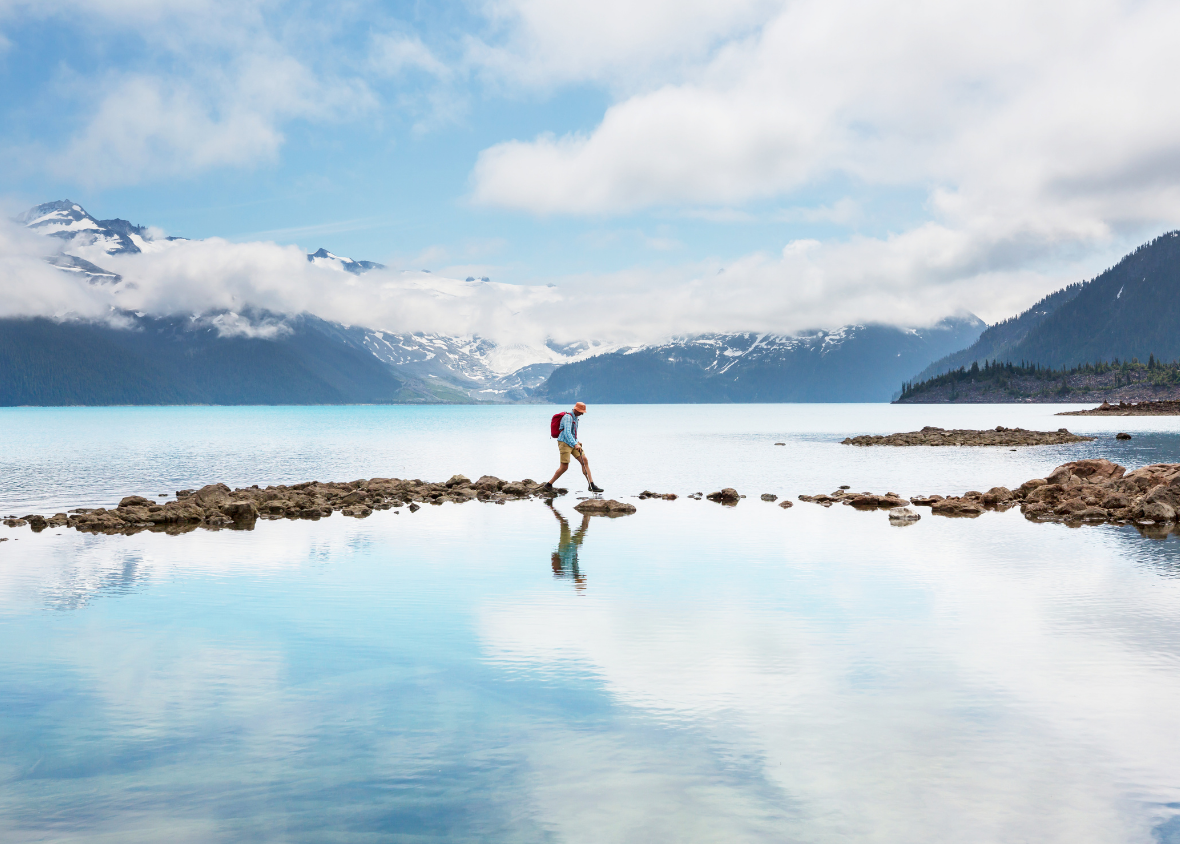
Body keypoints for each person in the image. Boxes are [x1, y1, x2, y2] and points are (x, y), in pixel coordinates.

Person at [545, 401, 603, 493]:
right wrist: (575, 444)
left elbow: (573, 433)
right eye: (581, 412)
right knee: (564, 467)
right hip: (564, 443)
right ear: (576, 409)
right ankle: (548, 484)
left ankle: (591, 485)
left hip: (573, 443)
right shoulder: (568, 417)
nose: (581, 414)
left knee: (584, 460)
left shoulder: (575, 418)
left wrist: (577, 441)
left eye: (582, 412)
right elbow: (567, 433)